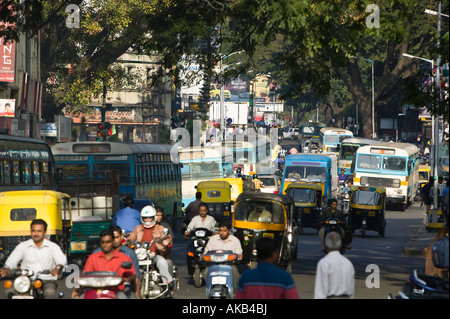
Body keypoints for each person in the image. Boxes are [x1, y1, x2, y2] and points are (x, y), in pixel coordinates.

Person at [1, 219, 67, 299]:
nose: (36, 234)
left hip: (46, 279)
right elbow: (12, 260)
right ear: (30, 232)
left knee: (50, 293)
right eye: (33, 231)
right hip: (25, 280)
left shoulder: (53, 247)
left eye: (39, 231)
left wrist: (57, 268)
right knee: (9, 291)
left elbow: (61, 260)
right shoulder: (23, 246)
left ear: (45, 232)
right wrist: (6, 268)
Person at [72, 229, 137, 299]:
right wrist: (77, 289)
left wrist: (128, 279)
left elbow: (132, 274)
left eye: (108, 242)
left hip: (117, 290)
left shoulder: (123, 258)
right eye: (103, 242)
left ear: (113, 242)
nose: (105, 245)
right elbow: (85, 274)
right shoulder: (93, 258)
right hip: (94, 290)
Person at [128, 205, 175, 294]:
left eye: (150, 218)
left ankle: (168, 284)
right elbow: (132, 237)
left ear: (154, 218)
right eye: (145, 218)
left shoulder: (160, 228)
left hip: (155, 254)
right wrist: (129, 241)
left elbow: (168, 238)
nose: (148, 220)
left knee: (162, 263)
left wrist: (165, 241)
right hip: (140, 254)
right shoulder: (138, 228)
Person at [93, 225, 141, 298]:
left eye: (116, 237)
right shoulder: (96, 254)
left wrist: (137, 295)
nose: (114, 241)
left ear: (121, 237)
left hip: (124, 289)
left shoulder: (129, 254)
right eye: (112, 238)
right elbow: (88, 274)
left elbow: (136, 276)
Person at [203, 221, 243, 292]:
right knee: (206, 272)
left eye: (224, 231)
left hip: (229, 265)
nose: (222, 233)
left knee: (235, 272)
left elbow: (239, 254)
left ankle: (234, 292)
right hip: (214, 264)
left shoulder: (235, 240)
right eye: (220, 231)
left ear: (229, 231)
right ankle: (211, 289)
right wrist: (204, 256)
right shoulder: (213, 239)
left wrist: (238, 256)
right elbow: (206, 252)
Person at [314, 231, 355, 299]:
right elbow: (351, 288)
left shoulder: (324, 263)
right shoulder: (348, 263)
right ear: (340, 245)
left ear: (325, 244)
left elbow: (320, 290)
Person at [184, 203, 218, 276]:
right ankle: (191, 270)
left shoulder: (211, 219)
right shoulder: (195, 219)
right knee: (189, 252)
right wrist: (187, 231)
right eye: (200, 211)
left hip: (207, 240)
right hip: (196, 239)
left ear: (207, 211)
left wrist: (215, 232)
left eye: (204, 210)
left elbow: (215, 227)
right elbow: (190, 227)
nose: (202, 212)